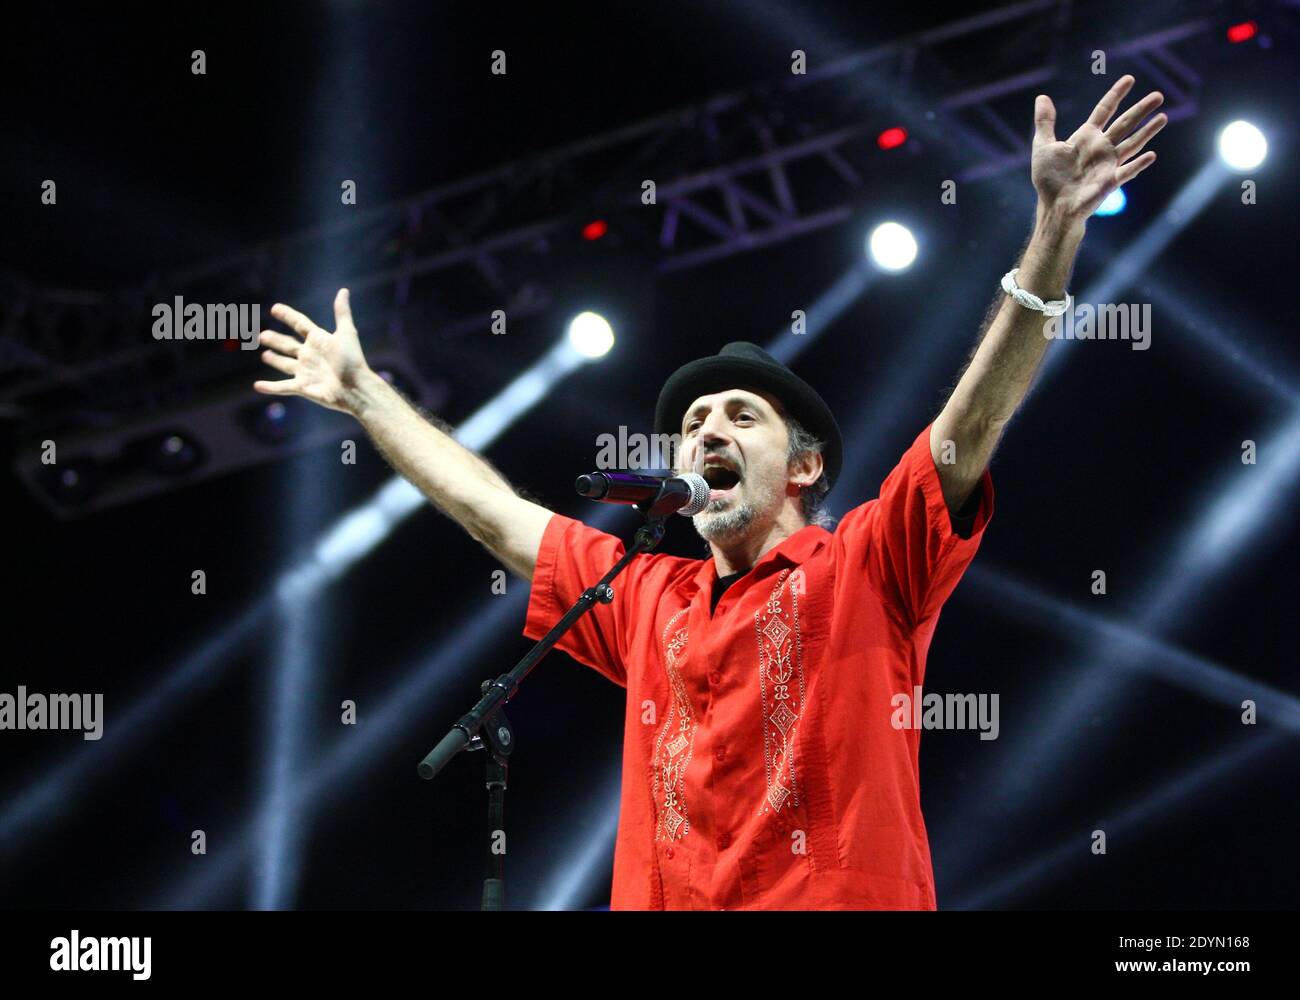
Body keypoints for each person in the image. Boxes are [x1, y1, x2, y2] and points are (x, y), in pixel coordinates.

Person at [253, 75, 1165, 908]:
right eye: (691, 422)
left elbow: (971, 424)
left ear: (803, 467)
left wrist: (1054, 230)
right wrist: (365, 396)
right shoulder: (643, 596)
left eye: (740, 415)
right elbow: (492, 512)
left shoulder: (869, 567)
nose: (706, 431)